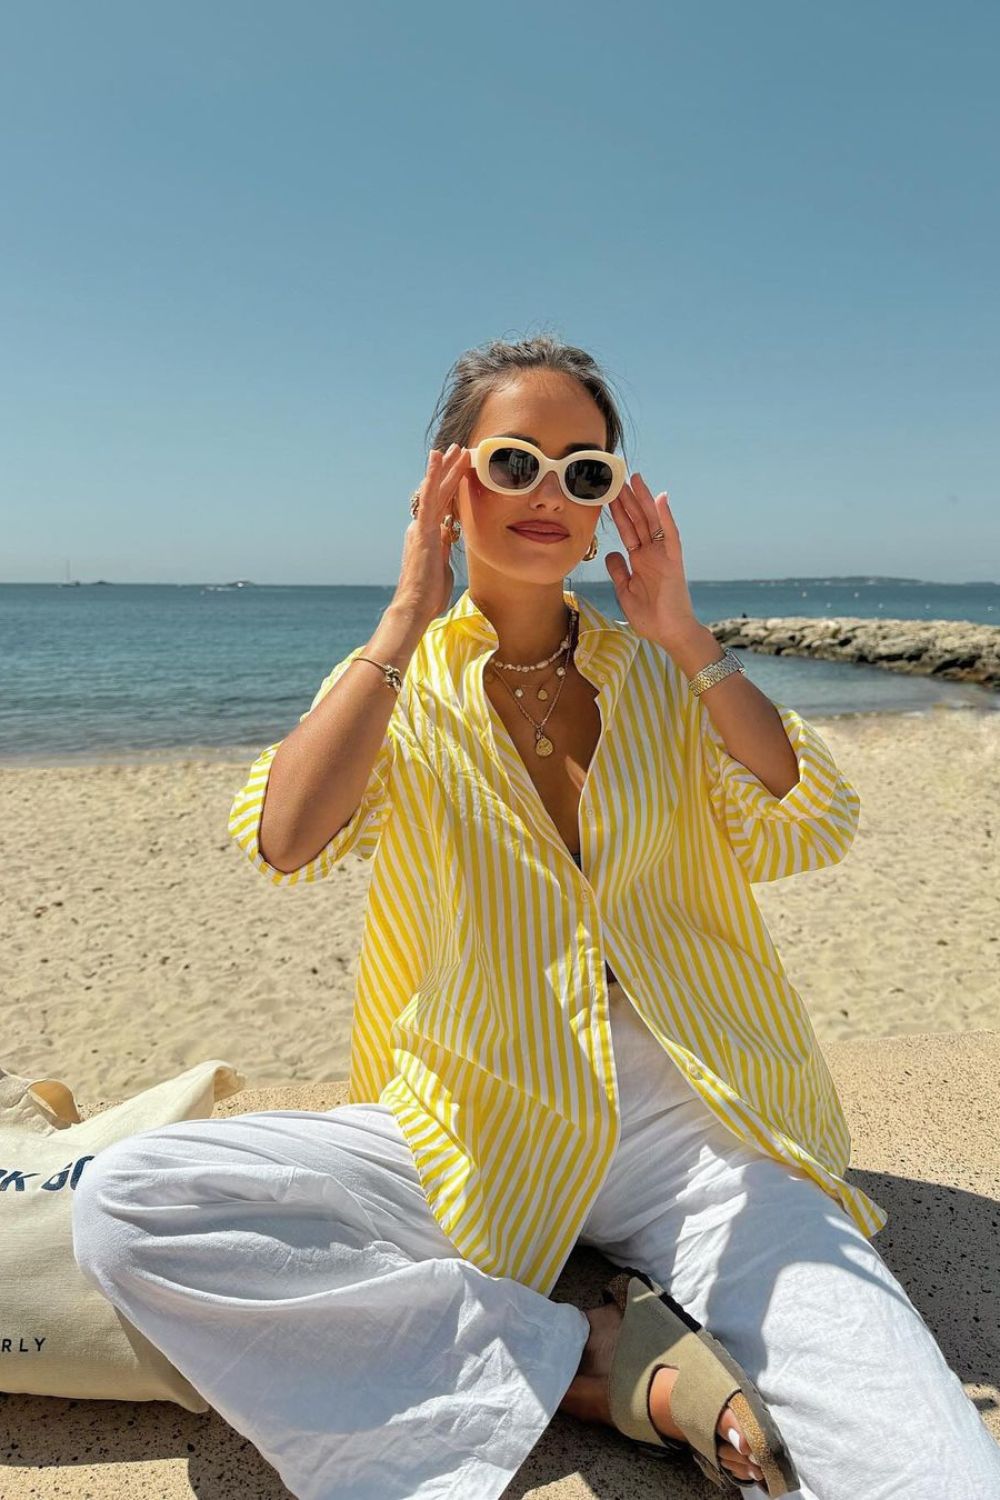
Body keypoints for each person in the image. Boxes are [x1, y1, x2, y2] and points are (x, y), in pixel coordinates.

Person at [71, 335, 1000, 1500]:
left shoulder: (659, 671)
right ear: (449, 479)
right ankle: (587, 1366)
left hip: (698, 1122)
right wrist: (407, 613)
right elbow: (286, 840)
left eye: (584, 469)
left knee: (929, 1469)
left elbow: (808, 819)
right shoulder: (392, 684)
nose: (549, 495)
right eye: (515, 462)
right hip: (473, 1119)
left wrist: (688, 637)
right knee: (131, 1206)